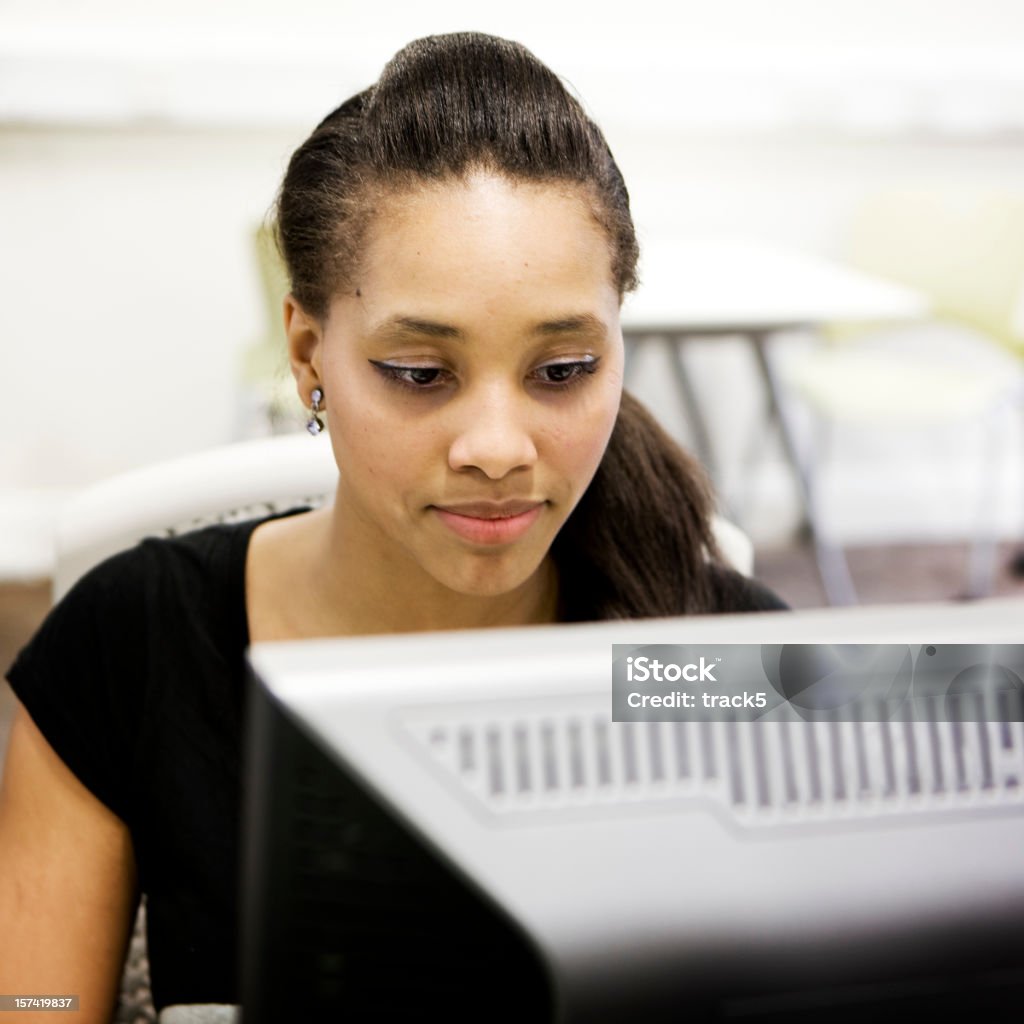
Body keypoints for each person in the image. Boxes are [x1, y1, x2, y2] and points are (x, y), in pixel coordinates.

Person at [0, 32, 786, 1023]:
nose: (498, 447)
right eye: (420, 375)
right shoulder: (129, 647)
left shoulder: (716, 661)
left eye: (562, 371)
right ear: (306, 352)